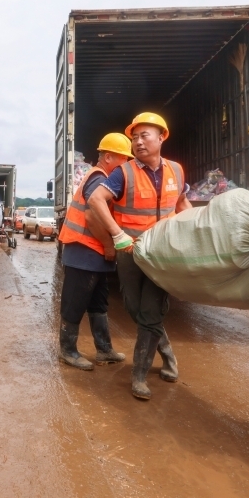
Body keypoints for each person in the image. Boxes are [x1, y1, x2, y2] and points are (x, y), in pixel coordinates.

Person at [88, 113, 192, 400]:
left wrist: (196, 232)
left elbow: (183, 204)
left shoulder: (177, 170)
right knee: (136, 309)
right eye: (134, 137)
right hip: (131, 253)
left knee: (151, 311)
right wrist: (117, 236)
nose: (138, 141)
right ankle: (168, 352)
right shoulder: (124, 172)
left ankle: (140, 374)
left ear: (162, 137)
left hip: (163, 253)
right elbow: (96, 200)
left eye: (145, 135)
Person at [56, 133, 132, 370]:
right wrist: (110, 244)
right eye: (123, 159)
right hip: (84, 251)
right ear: (108, 157)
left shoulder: (102, 177)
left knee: (98, 303)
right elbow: (91, 214)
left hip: (93, 253)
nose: (126, 166)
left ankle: (104, 349)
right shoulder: (99, 178)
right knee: (75, 302)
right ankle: (67, 350)